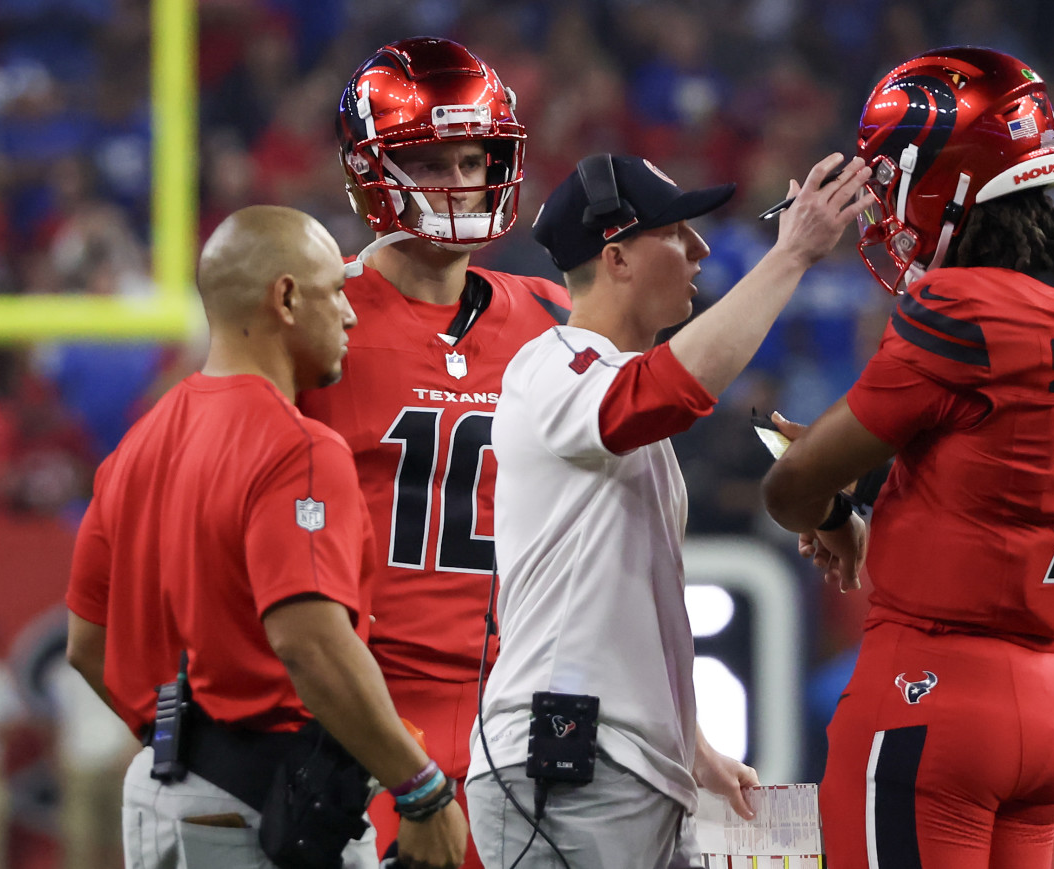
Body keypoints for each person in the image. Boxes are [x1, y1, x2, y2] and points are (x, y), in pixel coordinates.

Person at [760, 47, 1054, 869]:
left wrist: (839, 512)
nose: (886, 203)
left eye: (894, 177)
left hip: (932, 690)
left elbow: (789, 485)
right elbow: (996, 439)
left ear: (950, 176)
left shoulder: (962, 309)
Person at [467, 151, 873, 868]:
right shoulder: (553, 364)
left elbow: (612, 612)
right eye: (677, 232)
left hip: (612, 761)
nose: (701, 249)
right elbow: (668, 393)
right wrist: (791, 257)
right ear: (616, 257)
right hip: (565, 760)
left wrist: (691, 747)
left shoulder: (602, 392)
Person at [65, 205, 468, 869]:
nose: (349, 314)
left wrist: (187, 744)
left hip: (164, 795)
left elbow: (88, 644)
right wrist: (421, 790)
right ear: (285, 297)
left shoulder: (138, 443)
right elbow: (310, 646)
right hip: (261, 811)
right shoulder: (298, 447)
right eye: (334, 291)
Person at [296, 36, 571, 867]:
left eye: (474, 157)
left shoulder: (555, 317)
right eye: (431, 163)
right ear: (369, 174)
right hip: (365, 713)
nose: (462, 182)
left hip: (516, 705)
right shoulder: (314, 313)